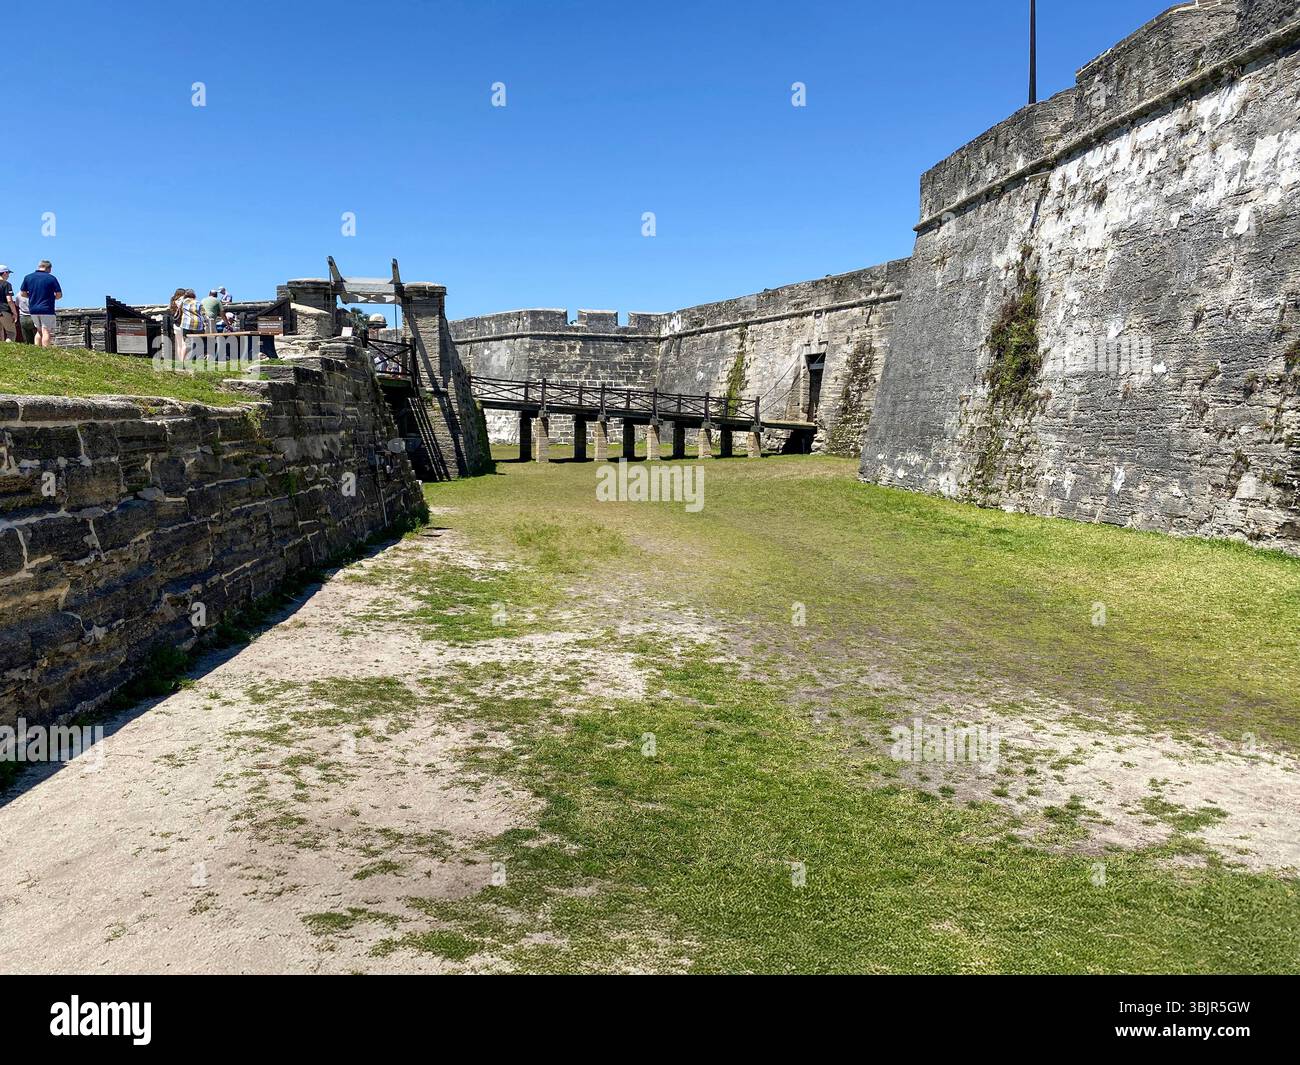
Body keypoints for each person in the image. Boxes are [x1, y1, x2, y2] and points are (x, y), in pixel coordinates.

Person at [19, 260, 62, 348]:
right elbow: (59, 295)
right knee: (46, 331)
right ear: (49, 268)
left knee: (39, 331)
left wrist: (32, 296)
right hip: (47, 308)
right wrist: (51, 298)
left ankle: (37, 350)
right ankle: (46, 350)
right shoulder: (51, 278)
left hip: (33, 308)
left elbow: (22, 293)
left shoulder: (28, 277)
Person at [0, 266, 18, 342]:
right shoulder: (6, 284)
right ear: (4, 273)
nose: (8, 276)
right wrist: (14, 313)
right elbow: (9, 300)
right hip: (4, 310)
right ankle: (9, 350)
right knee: (11, 333)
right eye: (8, 273)